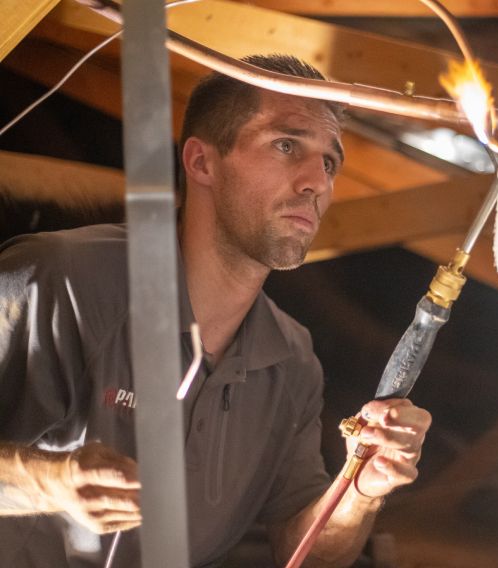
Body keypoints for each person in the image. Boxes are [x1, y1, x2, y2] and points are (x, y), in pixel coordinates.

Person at [0, 55, 432, 567]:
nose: (317, 181)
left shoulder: (292, 362)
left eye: (330, 162)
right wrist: (51, 482)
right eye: (286, 144)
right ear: (202, 162)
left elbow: (306, 553)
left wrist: (361, 489)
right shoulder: (57, 280)